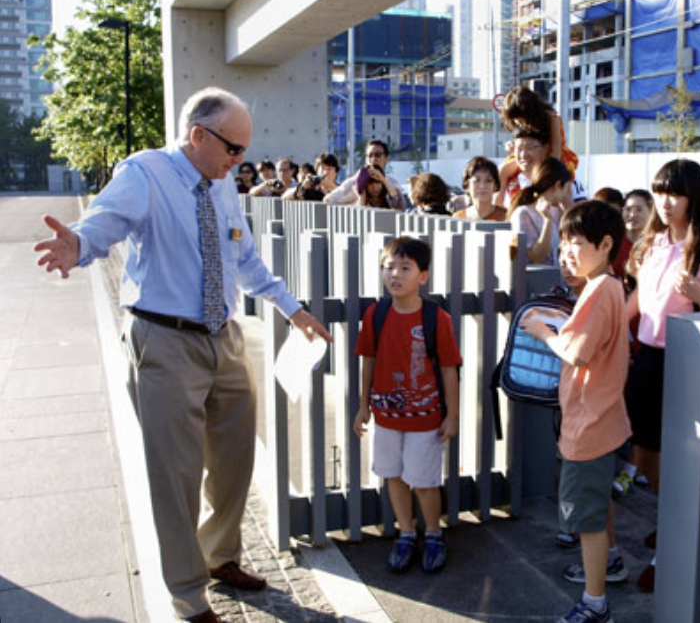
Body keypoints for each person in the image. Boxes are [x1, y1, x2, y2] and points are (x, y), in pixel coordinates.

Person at [33, 87, 332, 623]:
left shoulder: (221, 185)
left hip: (225, 336)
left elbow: (244, 258)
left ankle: (221, 557)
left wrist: (292, 309)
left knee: (235, 461)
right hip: (165, 340)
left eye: (243, 150)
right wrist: (77, 244)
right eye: (233, 148)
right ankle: (188, 596)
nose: (240, 161)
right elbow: (104, 222)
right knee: (176, 475)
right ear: (198, 135)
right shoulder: (145, 172)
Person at [624, 159, 700, 592]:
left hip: (684, 363)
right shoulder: (651, 243)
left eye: (675, 193)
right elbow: (637, 303)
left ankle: (670, 543)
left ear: (694, 198)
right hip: (646, 359)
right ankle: (667, 521)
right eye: (660, 193)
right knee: (644, 453)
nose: (665, 202)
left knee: (673, 458)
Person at [520, 200, 631, 623]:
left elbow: (577, 353)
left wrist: (542, 331)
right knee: (599, 503)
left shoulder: (599, 290)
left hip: (590, 421)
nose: (567, 252)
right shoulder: (610, 285)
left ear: (605, 245)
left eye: (577, 243)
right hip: (604, 416)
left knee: (585, 518)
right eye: (564, 242)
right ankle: (608, 564)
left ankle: (595, 602)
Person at [352, 237, 461, 574]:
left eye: (404, 268)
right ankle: (406, 532)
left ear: (423, 276)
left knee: (425, 481)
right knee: (393, 477)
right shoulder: (376, 313)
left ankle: (433, 534)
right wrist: (363, 406)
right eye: (389, 267)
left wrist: (452, 415)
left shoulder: (436, 318)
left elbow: (448, 369)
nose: (395, 275)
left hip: (426, 419)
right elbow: (367, 360)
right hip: (385, 416)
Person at [498, 85, 578, 205]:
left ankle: (568, 209)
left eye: (519, 118)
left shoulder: (551, 117)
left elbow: (557, 148)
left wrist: (548, 171)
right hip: (532, 155)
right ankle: (497, 206)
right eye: (515, 119)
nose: (518, 122)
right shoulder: (520, 123)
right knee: (504, 170)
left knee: (560, 184)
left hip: (553, 157)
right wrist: (512, 146)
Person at [508, 157, 574, 266]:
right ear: (557, 186)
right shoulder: (523, 214)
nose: (567, 193)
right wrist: (547, 221)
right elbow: (536, 259)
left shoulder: (557, 211)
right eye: (566, 189)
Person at [324, 139, 406, 209]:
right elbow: (329, 200)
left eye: (377, 155)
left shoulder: (391, 182)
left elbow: (400, 206)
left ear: (386, 158)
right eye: (370, 155)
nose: (373, 159)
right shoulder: (354, 181)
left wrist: (383, 180)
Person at [453, 156, 506, 221]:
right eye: (477, 181)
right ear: (467, 185)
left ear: (495, 186)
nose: (482, 186)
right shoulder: (458, 218)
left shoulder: (506, 217)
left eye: (488, 181)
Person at [619, 189, 653, 288]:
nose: (633, 215)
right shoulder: (613, 242)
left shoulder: (658, 244)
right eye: (628, 209)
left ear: (651, 212)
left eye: (639, 210)